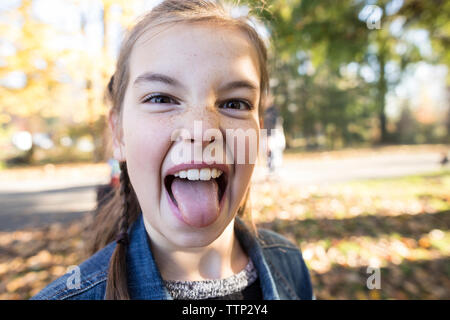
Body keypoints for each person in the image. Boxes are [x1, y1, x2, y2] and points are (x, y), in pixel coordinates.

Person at [31, 0, 313, 300]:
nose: (202, 130)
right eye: (161, 98)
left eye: (234, 104)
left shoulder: (290, 264)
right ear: (119, 133)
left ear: (258, 132)